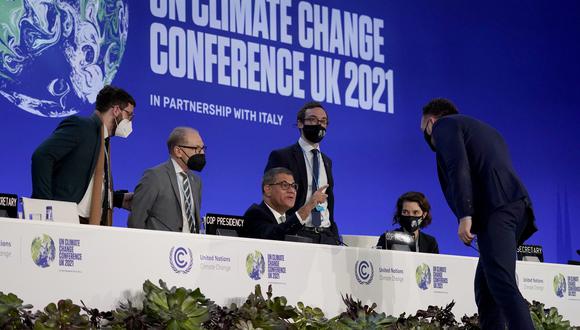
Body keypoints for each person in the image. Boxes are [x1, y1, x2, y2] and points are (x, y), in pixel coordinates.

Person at [421, 98, 537, 329]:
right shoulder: (483, 129)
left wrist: (465, 215)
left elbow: (457, 166)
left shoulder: (444, 126)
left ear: (431, 122)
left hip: (498, 209)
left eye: (423, 128)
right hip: (514, 207)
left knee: (502, 284)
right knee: (486, 288)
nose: (425, 135)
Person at [31, 85, 135, 225]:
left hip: (89, 224)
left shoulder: (104, 141)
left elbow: (89, 184)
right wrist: (46, 206)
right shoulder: (81, 127)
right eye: (129, 115)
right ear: (116, 110)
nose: (130, 121)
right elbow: (42, 156)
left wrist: (118, 199)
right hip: (65, 220)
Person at [264, 101, 340, 245]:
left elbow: (329, 202)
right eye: (313, 120)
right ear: (300, 123)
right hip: (298, 234)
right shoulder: (282, 156)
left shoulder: (327, 161)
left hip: (326, 237)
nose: (319, 124)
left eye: (323, 121)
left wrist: (334, 235)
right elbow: (272, 197)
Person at [128, 127, 205, 233]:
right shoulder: (154, 176)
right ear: (178, 151)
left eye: (203, 148)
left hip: (189, 247)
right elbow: (136, 221)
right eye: (196, 148)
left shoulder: (196, 181)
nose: (202, 153)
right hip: (160, 247)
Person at [242, 167, 328, 241]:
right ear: (268, 189)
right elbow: (274, 236)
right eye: (284, 185)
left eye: (293, 186)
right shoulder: (255, 214)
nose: (292, 191)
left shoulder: (289, 219)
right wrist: (308, 207)